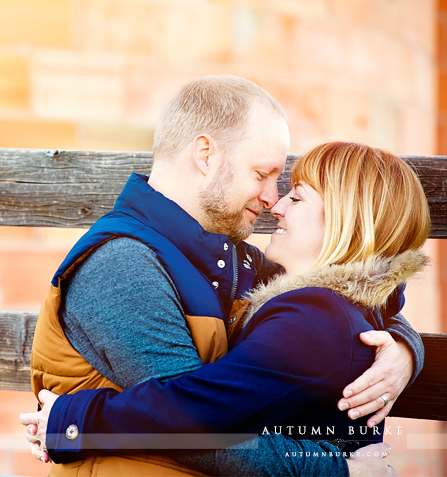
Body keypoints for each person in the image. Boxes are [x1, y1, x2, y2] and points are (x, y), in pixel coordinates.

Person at [24, 76, 424, 476]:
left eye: (286, 187)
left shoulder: (237, 262)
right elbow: (192, 429)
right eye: (261, 174)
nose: (272, 200)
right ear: (205, 155)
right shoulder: (123, 265)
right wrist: (341, 472)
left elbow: (353, 282)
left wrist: (404, 351)